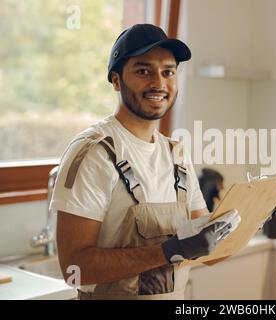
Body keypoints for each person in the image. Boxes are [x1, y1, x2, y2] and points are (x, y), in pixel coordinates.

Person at [50, 24, 240, 300]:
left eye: (168, 72)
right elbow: (74, 269)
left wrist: (246, 218)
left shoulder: (176, 154)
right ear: (116, 80)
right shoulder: (95, 152)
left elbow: (208, 253)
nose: (159, 83)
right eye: (143, 71)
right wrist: (168, 251)